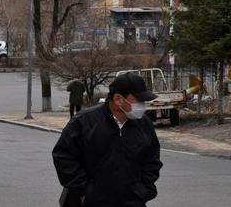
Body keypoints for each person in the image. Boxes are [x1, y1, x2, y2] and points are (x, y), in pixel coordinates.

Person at [52, 73, 163, 207]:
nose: (142, 105)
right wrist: (85, 191)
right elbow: (63, 157)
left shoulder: (144, 124)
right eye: (139, 100)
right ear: (118, 99)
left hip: (132, 202)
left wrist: (143, 191)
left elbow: (152, 160)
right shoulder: (84, 122)